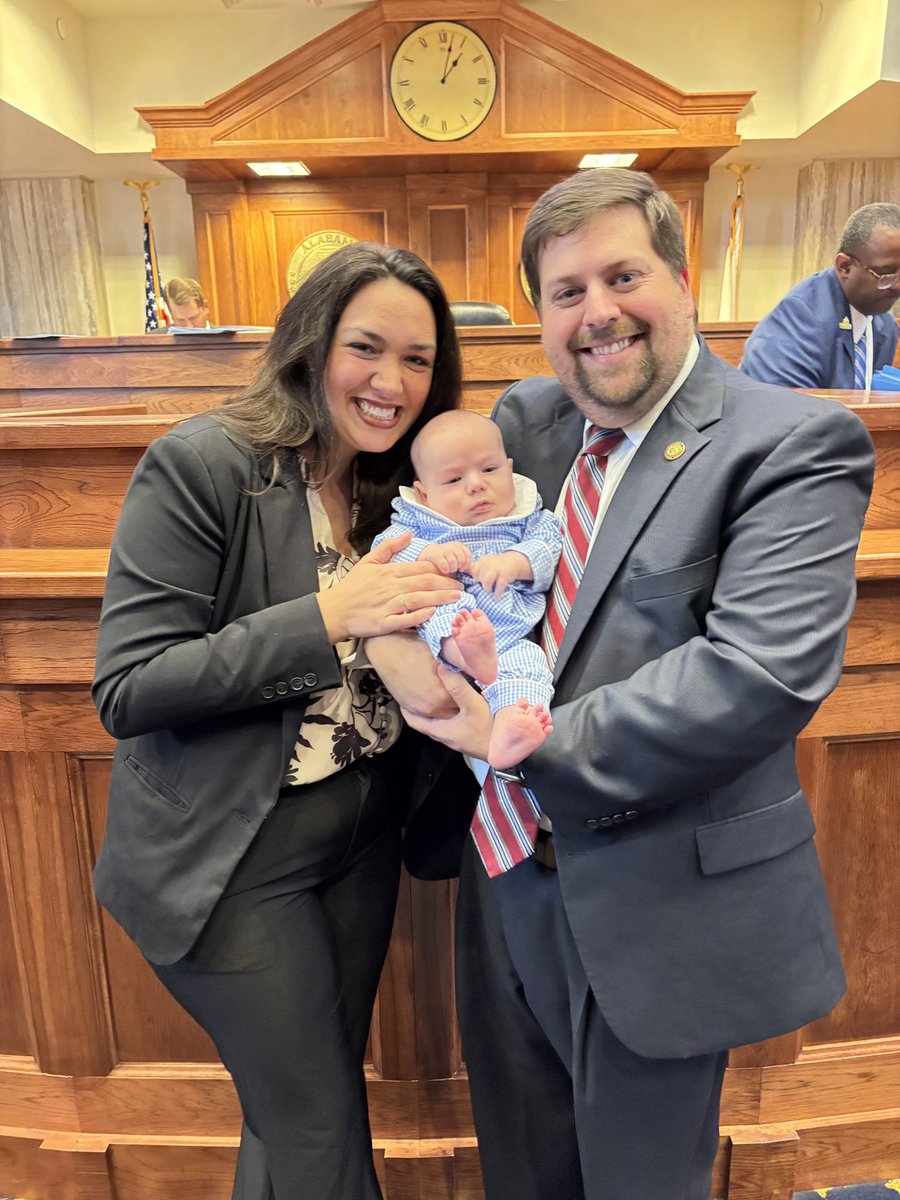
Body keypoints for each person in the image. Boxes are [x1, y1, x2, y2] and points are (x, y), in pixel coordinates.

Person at [373, 169, 875, 1200]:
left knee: (641, 1184)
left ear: (681, 279)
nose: (597, 312)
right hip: (506, 875)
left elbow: (760, 673)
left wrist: (518, 737)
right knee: (525, 1173)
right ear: (542, 318)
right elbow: (433, 537)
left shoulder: (788, 442)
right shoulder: (527, 427)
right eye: (566, 291)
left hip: (659, 894)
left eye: (622, 275)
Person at [91, 242, 470, 1200]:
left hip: (361, 837)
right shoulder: (206, 463)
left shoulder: (399, 486)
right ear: (311, 344)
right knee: (317, 1129)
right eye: (366, 347)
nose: (391, 382)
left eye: (418, 360)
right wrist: (326, 618)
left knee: (303, 1108)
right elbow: (129, 685)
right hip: (232, 853)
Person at [372, 409, 562, 770]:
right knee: (444, 607)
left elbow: (548, 545)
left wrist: (514, 562)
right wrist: (429, 553)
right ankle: (467, 652)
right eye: (454, 478)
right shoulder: (418, 520)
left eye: (489, 469)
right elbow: (386, 548)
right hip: (446, 629)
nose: (476, 484)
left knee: (529, 667)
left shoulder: (526, 514)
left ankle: (510, 729)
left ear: (509, 468)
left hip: (510, 636)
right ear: (424, 493)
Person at [740, 202, 900, 390]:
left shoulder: (884, 325)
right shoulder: (799, 320)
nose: (897, 287)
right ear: (844, 266)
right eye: (886, 274)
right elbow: (786, 412)